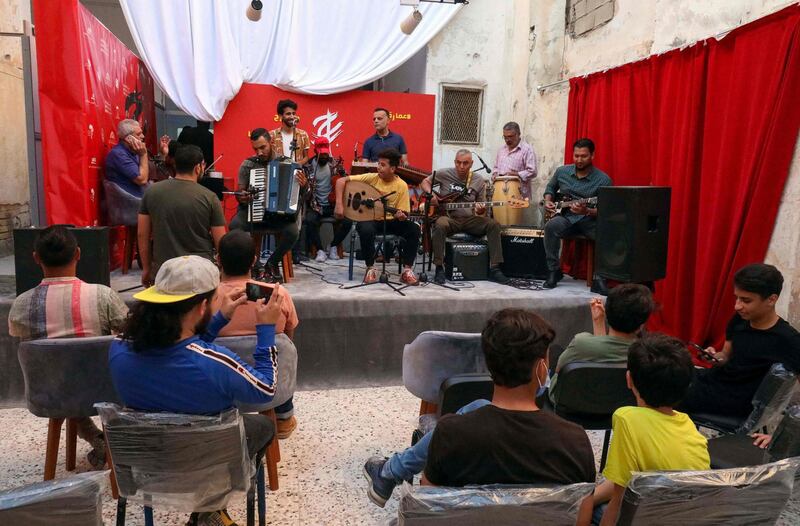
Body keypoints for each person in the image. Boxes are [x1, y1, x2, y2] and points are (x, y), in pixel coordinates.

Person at [109, 255, 282, 526]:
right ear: (202, 306)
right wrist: (266, 329)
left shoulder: (118, 349)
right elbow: (266, 389)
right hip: (206, 464)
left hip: (150, 463)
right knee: (262, 425)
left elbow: (181, 352)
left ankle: (207, 512)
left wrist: (218, 320)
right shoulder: (215, 363)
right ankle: (208, 509)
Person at [363, 309, 596, 507]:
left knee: (478, 407)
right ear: (542, 368)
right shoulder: (575, 440)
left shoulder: (450, 434)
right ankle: (388, 472)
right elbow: (581, 516)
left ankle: (389, 472)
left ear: (488, 365)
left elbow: (433, 509)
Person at [8, 226, 128, 469]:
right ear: (78, 254)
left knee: (65, 371)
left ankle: (96, 438)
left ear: (36, 258)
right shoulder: (103, 296)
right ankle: (113, 440)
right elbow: (128, 329)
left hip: (49, 394)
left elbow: (18, 336)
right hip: (102, 393)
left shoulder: (21, 305)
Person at [595, 333, 710, 525]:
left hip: (647, 517)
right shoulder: (688, 424)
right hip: (686, 516)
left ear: (629, 379)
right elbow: (625, 478)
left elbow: (620, 498)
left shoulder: (626, 418)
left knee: (592, 510)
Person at [680, 263, 800, 418]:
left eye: (746, 300)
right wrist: (714, 357)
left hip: (735, 400)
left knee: (661, 392)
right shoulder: (739, 320)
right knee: (663, 371)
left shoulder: (787, 339)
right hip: (715, 381)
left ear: (771, 300)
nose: (737, 306)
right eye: (737, 298)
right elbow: (725, 356)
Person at [212, 230, 300, 439]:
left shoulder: (206, 299)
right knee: (283, 352)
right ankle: (283, 416)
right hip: (269, 390)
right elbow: (289, 334)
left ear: (218, 259)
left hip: (220, 390)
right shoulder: (278, 295)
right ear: (253, 260)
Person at [549, 284, 655, 405]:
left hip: (571, 408)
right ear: (641, 325)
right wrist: (598, 322)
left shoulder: (581, 343)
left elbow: (559, 370)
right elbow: (605, 359)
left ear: (608, 312)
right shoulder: (646, 354)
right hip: (619, 410)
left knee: (555, 351)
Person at [137, 145, 226, 287]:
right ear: (198, 167)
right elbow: (221, 241)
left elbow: (142, 234)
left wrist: (147, 269)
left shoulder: (151, 192)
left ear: (175, 164)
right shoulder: (210, 197)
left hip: (164, 273)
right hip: (200, 274)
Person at [229, 128, 308, 283]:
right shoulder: (248, 165)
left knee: (293, 232)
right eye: (255, 149)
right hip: (254, 210)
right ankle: (256, 264)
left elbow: (302, 193)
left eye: (262, 147)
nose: (259, 152)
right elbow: (240, 191)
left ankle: (271, 263)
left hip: (278, 215)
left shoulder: (288, 163)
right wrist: (243, 197)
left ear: (271, 143)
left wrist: (304, 185)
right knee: (234, 226)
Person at [419, 149, 508, 285]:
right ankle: (439, 267)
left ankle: (495, 268)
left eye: (465, 163)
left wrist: (481, 209)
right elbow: (425, 182)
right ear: (455, 162)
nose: (461, 166)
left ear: (471, 163)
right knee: (440, 224)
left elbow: (480, 210)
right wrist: (432, 196)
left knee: (493, 224)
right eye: (458, 163)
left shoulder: (478, 180)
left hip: (469, 220)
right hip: (449, 219)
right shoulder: (444, 173)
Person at [334, 148, 420, 285]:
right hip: (373, 220)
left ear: (392, 169)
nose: (379, 167)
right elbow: (341, 181)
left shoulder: (401, 186)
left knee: (414, 229)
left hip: (392, 221)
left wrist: (401, 216)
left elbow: (404, 213)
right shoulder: (371, 178)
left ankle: (407, 270)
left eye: (383, 165)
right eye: (378, 164)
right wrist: (339, 204)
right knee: (365, 228)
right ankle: (370, 267)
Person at [542, 138, 612, 293]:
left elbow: (607, 211)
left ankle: (600, 278)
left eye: (584, 156)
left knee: (608, 235)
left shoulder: (604, 180)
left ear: (592, 156)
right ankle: (554, 270)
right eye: (576, 156)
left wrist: (586, 211)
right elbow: (550, 188)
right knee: (551, 226)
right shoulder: (562, 172)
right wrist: (548, 200)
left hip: (589, 220)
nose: (579, 160)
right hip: (566, 217)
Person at [303, 137, 352, 263]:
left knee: (348, 222)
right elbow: (305, 193)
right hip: (316, 205)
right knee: (309, 220)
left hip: (333, 205)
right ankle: (320, 250)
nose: (324, 156)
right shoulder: (308, 166)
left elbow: (346, 181)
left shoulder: (335, 164)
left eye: (326, 153)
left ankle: (333, 246)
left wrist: (343, 176)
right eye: (321, 153)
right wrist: (307, 186)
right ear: (315, 151)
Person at [105, 118, 150, 198]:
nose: (143, 136)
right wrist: (143, 155)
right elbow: (142, 180)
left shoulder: (134, 152)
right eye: (138, 134)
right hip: (127, 205)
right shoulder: (118, 154)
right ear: (128, 138)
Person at [492, 121, 537, 197]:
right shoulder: (501, 150)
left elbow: (533, 171)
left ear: (518, 134)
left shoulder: (527, 150)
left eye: (510, 136)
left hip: (519, 195)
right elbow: (496, 167)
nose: (507, 140)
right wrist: (494, 174)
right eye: (505, 137)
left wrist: (518, 174)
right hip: (500, 193)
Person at [270, 99, 310, 166]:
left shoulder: (303, 135)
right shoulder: (271, 135)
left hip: (297, 174)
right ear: (280, 116)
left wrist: (297, 165)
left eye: (293, 113)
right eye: (288, 114)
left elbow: (306, 157)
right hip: (278, 173)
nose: (292, 117)